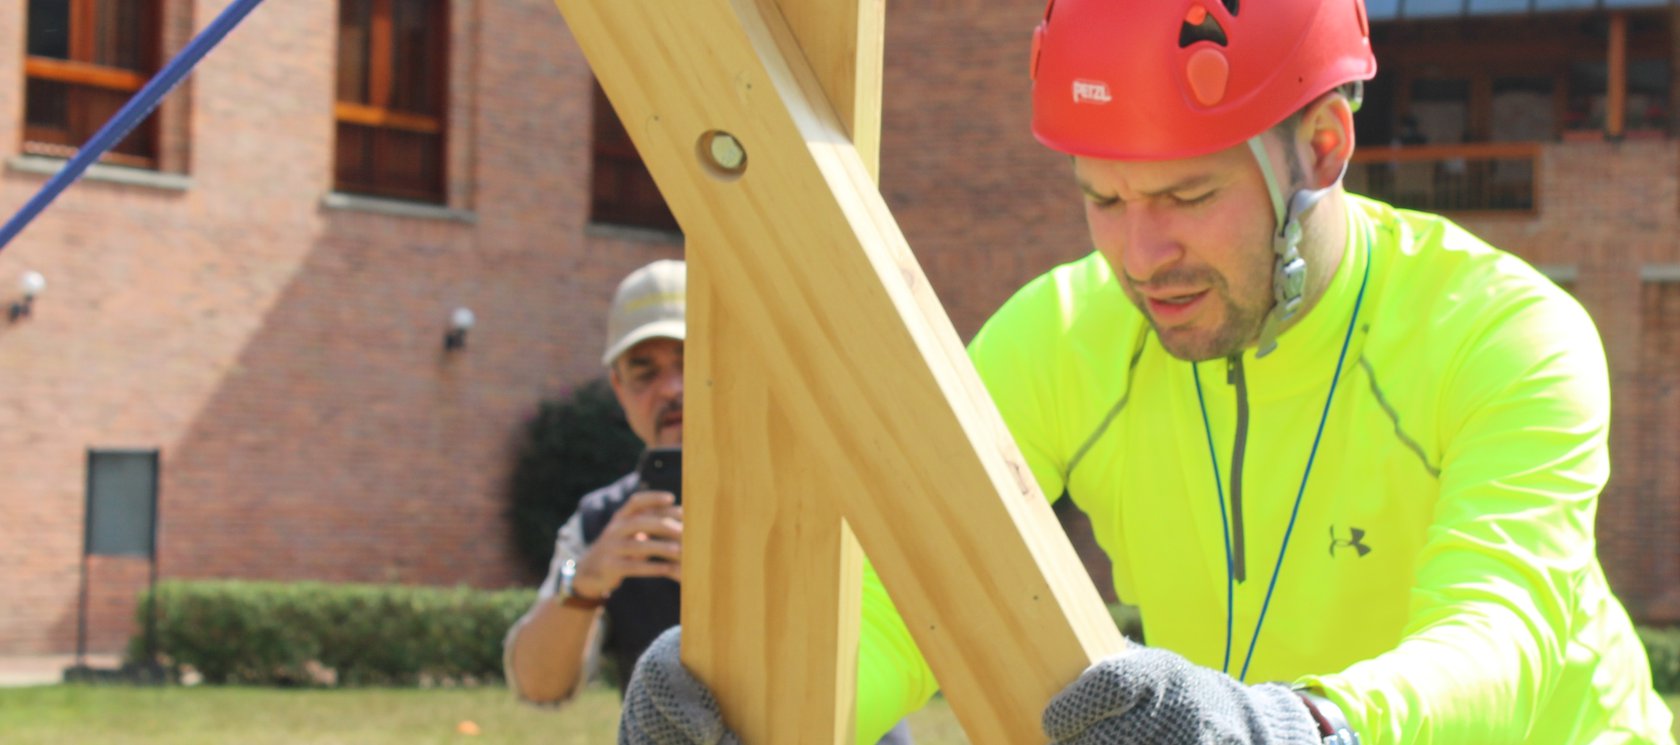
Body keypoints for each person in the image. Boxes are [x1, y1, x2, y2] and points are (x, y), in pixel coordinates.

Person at [617, 1, 1677, 744]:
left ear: (1321, 145)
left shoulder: (1506, 330)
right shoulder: (1065, 333)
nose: (1138, 256)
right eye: (1104, 198)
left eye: (1184, 195)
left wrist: (1301, 726)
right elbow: (909, 601)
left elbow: (1504, 629)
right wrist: (747, 696)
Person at [505, 259, 913, 744]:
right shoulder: (603, 523)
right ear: (618, 388)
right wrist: (587, 585)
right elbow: (538, 688)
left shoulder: (817, 488)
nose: (673, 389)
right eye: (644, 371)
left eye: (689, 360)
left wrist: (736, 586)